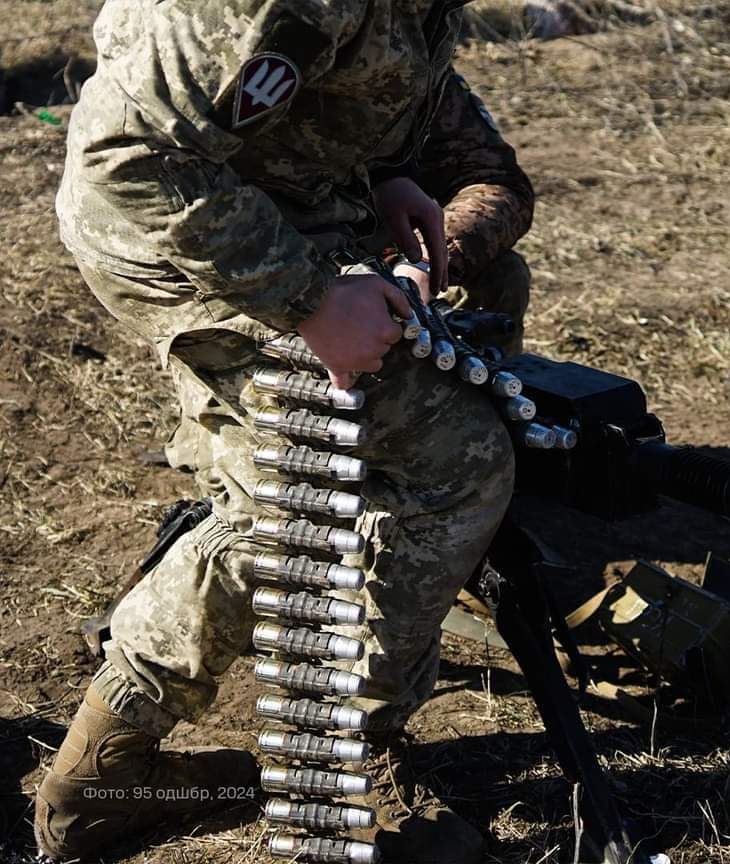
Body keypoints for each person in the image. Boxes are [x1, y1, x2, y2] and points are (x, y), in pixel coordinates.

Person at [34, 2, 534, 862]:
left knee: (335, 466)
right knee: (442, 464)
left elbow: (290, 106)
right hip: (171, 237)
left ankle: (103, 780)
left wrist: (381, 176)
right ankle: (343, 753)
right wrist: (310, 298)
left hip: (266, 208)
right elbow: (127, 154)